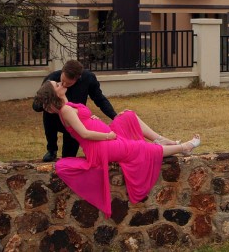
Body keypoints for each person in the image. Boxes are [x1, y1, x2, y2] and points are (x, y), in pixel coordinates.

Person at [34, 80, 201, 217]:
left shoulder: (69, 106)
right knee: (141, 148)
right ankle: (183, 147)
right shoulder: (65, 110)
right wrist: (108, 136)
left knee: (128, 116)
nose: (60, 83)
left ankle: (160, 139)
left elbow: (82, 122)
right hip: (102, 147)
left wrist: (92, 118)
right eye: (56, 85)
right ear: (54, 94)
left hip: (107, 138)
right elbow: (84, 134)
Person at [32, 60, 121, 161]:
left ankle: (68, 159)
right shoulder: (52, 79)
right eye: (62, 80)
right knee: (48, 116)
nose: (63, 84)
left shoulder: (88, 78)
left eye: (68, 83)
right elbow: (37, 103)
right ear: (62, 71)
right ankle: (52, 149)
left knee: (69, 156)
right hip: (54, 119)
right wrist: (45, 104)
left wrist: (115, 116)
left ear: (78, 78)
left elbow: (100, 99)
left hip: (75, 121)